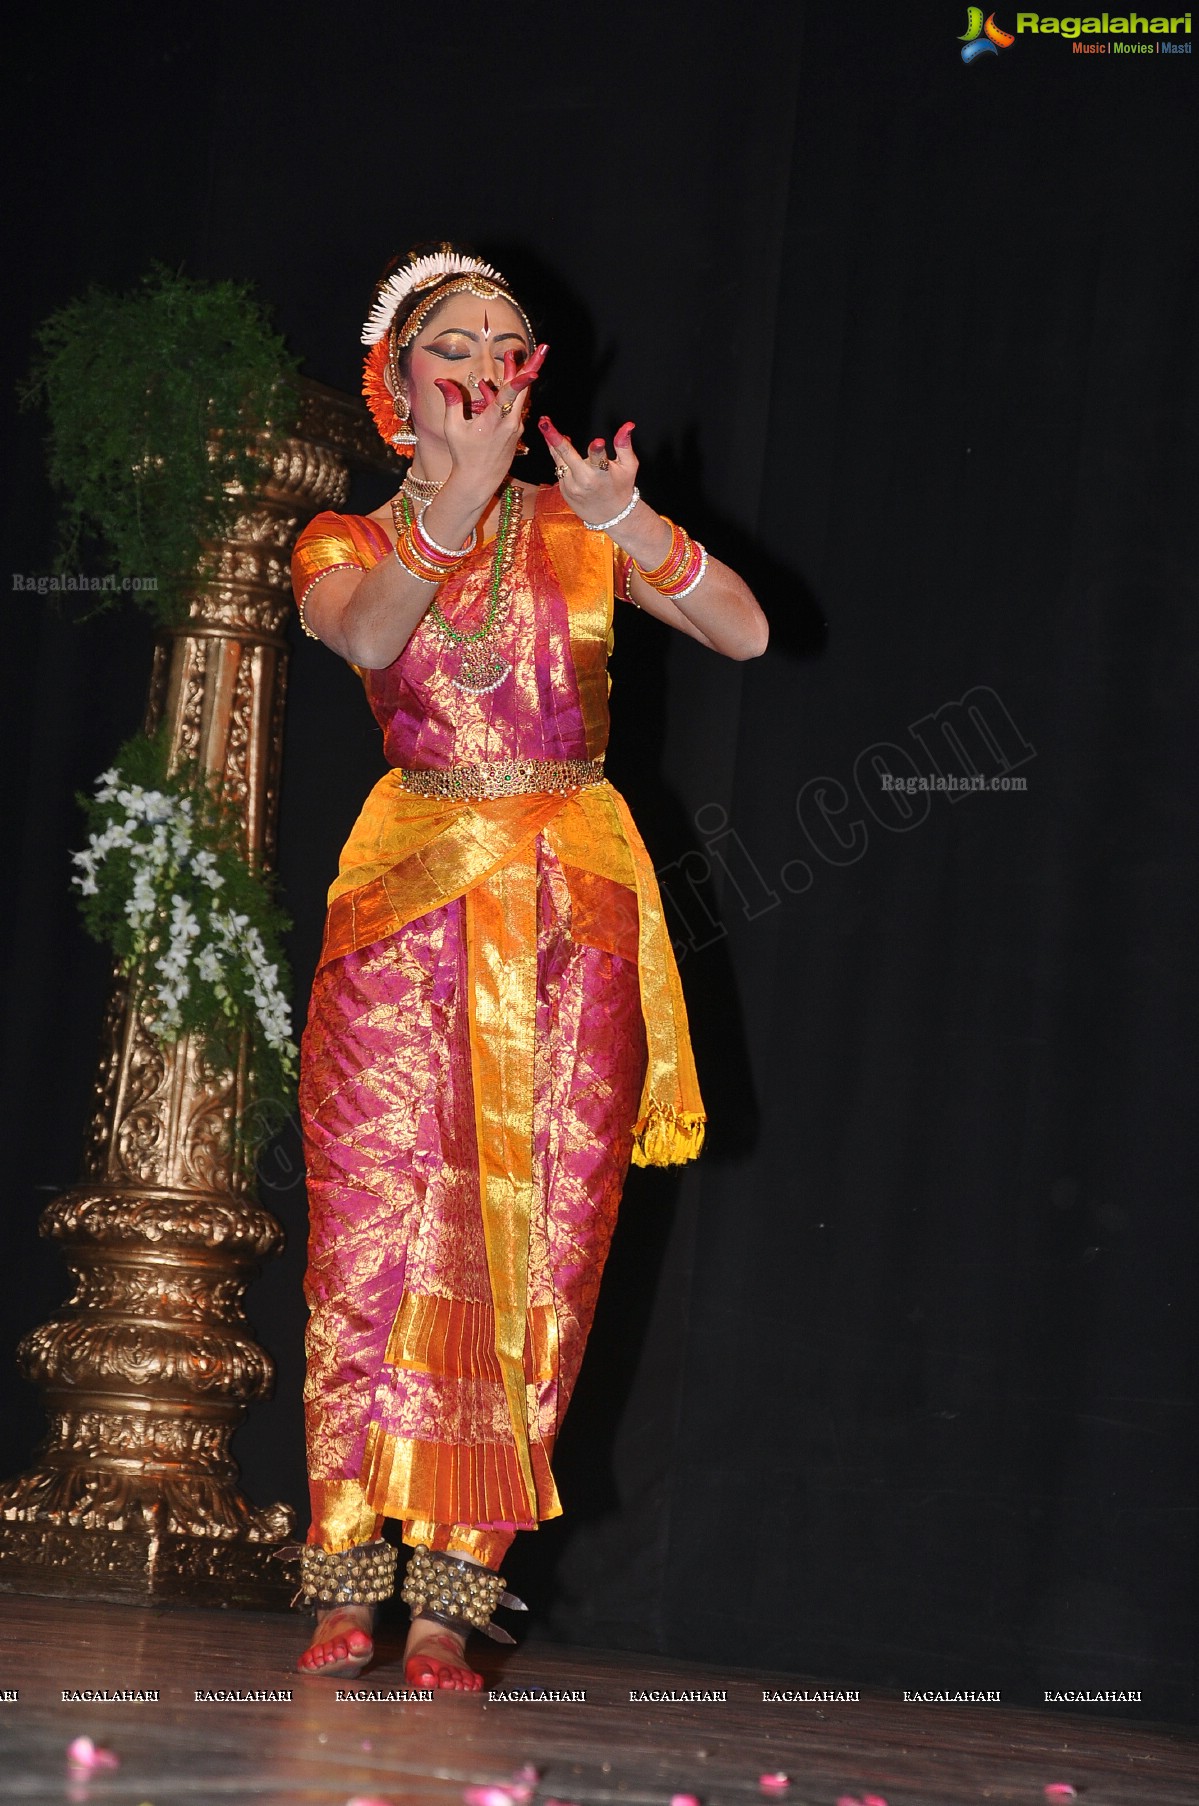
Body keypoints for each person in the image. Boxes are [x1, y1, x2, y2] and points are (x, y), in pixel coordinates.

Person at [289, 245, 768, 1691]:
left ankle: (454, 1596)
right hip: (405, 902)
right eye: (457, 338)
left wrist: (633, 520)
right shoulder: (342, 543)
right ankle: (345, 1572)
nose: (492, 356)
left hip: (574, 910)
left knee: (546, 1239)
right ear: (400, 388)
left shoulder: (579, 524)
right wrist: (449, 511)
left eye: (512, 337)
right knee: (373, 1234)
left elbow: (746, 629)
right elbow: (370, 634)